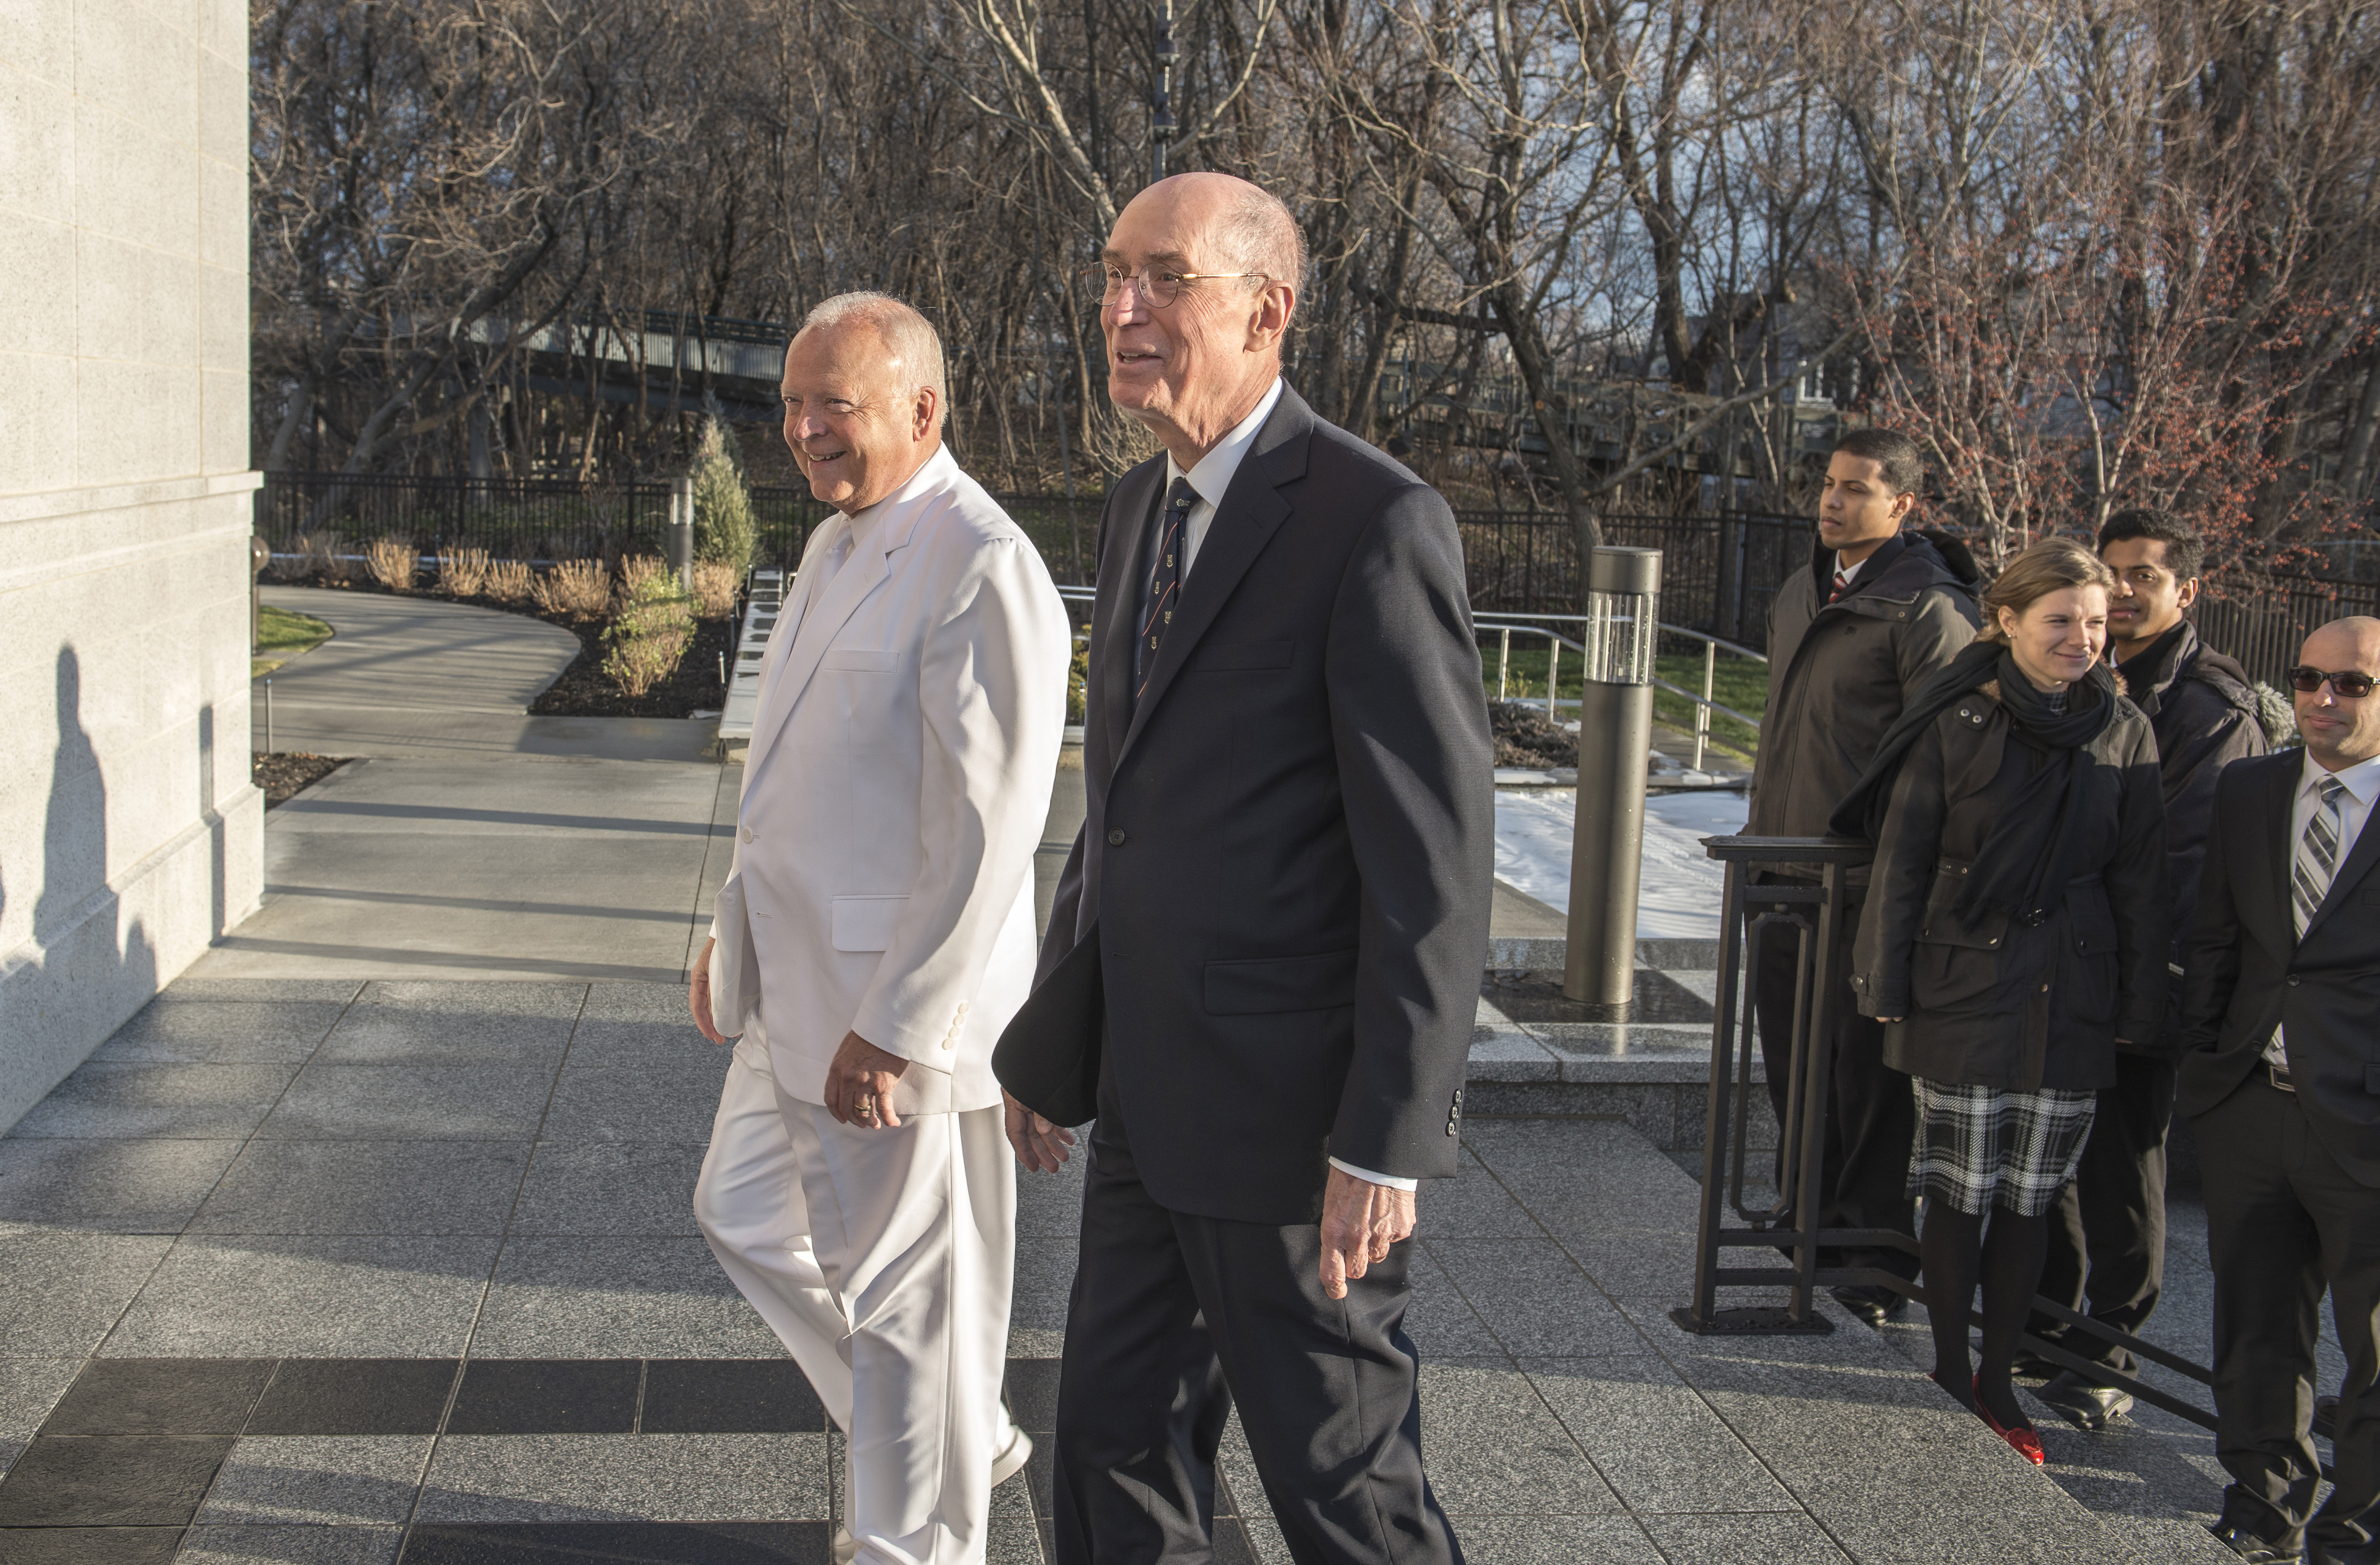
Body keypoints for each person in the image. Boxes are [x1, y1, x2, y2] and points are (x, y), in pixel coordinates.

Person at [1011, 172, 1492, 1565]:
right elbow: (1125, 808)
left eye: (1164, 278)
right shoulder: (1137, 508)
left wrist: (1383, 1140)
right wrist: (1057, 1035)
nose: (1122, 307)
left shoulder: (1373, 519)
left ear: (1266, 313)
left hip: (1291, 1135)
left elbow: (1433, 868)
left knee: (1346, 1495)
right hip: (1144, 1097)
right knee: (1110, 1452)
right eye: (1114, 274)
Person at [686, 293, 1072, 1565]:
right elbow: (792, 775)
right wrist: (730, 932)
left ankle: (916, 1542)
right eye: (792, 404)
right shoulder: (832, 542)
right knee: (741, 1211)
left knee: (906, 1298)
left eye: (833, 405)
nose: (803, 429)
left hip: (889, 1017)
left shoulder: (982, 562)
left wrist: (899, 1025)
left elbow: (987, 832)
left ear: (922, 409)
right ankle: (960, 1427)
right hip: (788, 985)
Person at [1833, 537, 2167, 1464]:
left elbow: (2140, 881)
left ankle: (1998, 1378)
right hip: (1962, 983)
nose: (2080, 639)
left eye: (2094, 623)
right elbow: (1903, 859)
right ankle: (1949, 1369)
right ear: (2007, 620)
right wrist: (1884, 981)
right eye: (2059, 620)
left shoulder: (2122, 729)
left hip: (2074, 989)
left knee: (2030, 1198)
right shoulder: (1958, 718)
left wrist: (2141, 1006)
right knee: (1958, 1189)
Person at [2026, 510, 2274, 1429]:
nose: (2124, 590)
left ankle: (2106, 1355)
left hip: (2141, 975)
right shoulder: (2081, 675)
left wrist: (2141, 984)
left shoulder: (2208, 707)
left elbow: (2184, 868)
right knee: (2054, 1159)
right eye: (2112, 572)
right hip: (2062, 961)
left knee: (2123, 1168)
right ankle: (2047, 1330)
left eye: (2145, 576)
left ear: (2186, 592)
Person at [1743, 426, 1982, 1326]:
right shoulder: (1804, 588)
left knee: (1864, 1079)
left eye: (1854, 489)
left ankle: (1873, 1253)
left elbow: (1947, 765)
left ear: (1902, 505)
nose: (1831, 502)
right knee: (1793, 1065)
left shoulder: (1927, 609)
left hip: (1863, 883)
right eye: (1827, 484)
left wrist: (1901, 880)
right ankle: (1805, 1216)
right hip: (1779, 870)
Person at [2182, 616, 2380, 1565]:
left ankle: (2356, 1529)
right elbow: (2217, 936)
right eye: (2307, 678)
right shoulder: (2251, 788)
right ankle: (2261, 1507)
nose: (2322, 699)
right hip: (2251, 1104)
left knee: (2373, 1349)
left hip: (2367, 1124)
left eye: (2353, 684)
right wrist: (2208, 1068)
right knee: (2255, 1327)